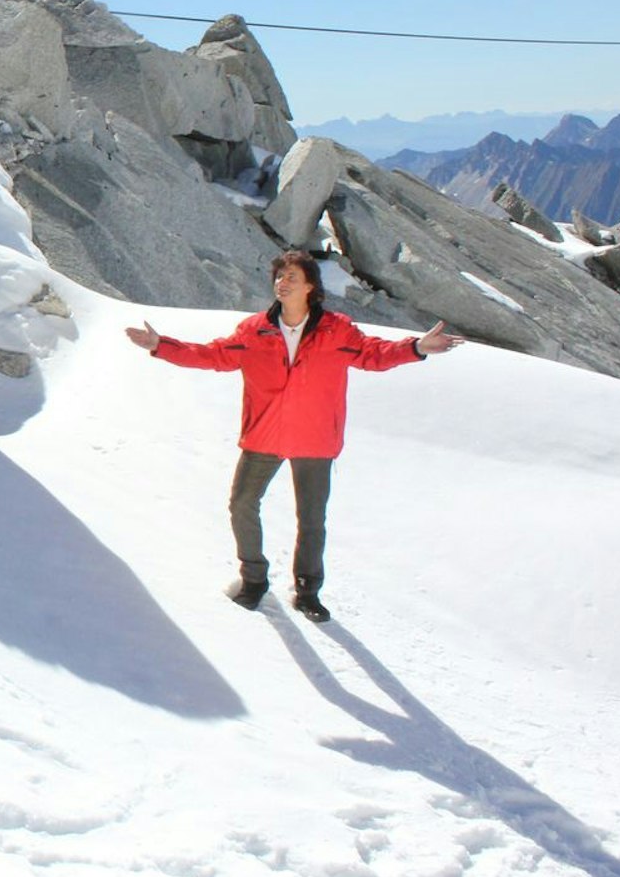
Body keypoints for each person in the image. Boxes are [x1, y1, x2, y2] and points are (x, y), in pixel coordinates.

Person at [124, 249, 463, 623]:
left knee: (312, 518)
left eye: (291, 278)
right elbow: (213, 355)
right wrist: (161, 346)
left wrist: (416, 347)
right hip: (265, 436)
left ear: (310, 288)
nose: (282, 283)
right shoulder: (255, 330)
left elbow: (373, 354)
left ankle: (307, 591)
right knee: (242, 504)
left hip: (315, 438)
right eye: (279, 276)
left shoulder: (337, 330)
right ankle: (253, 579)